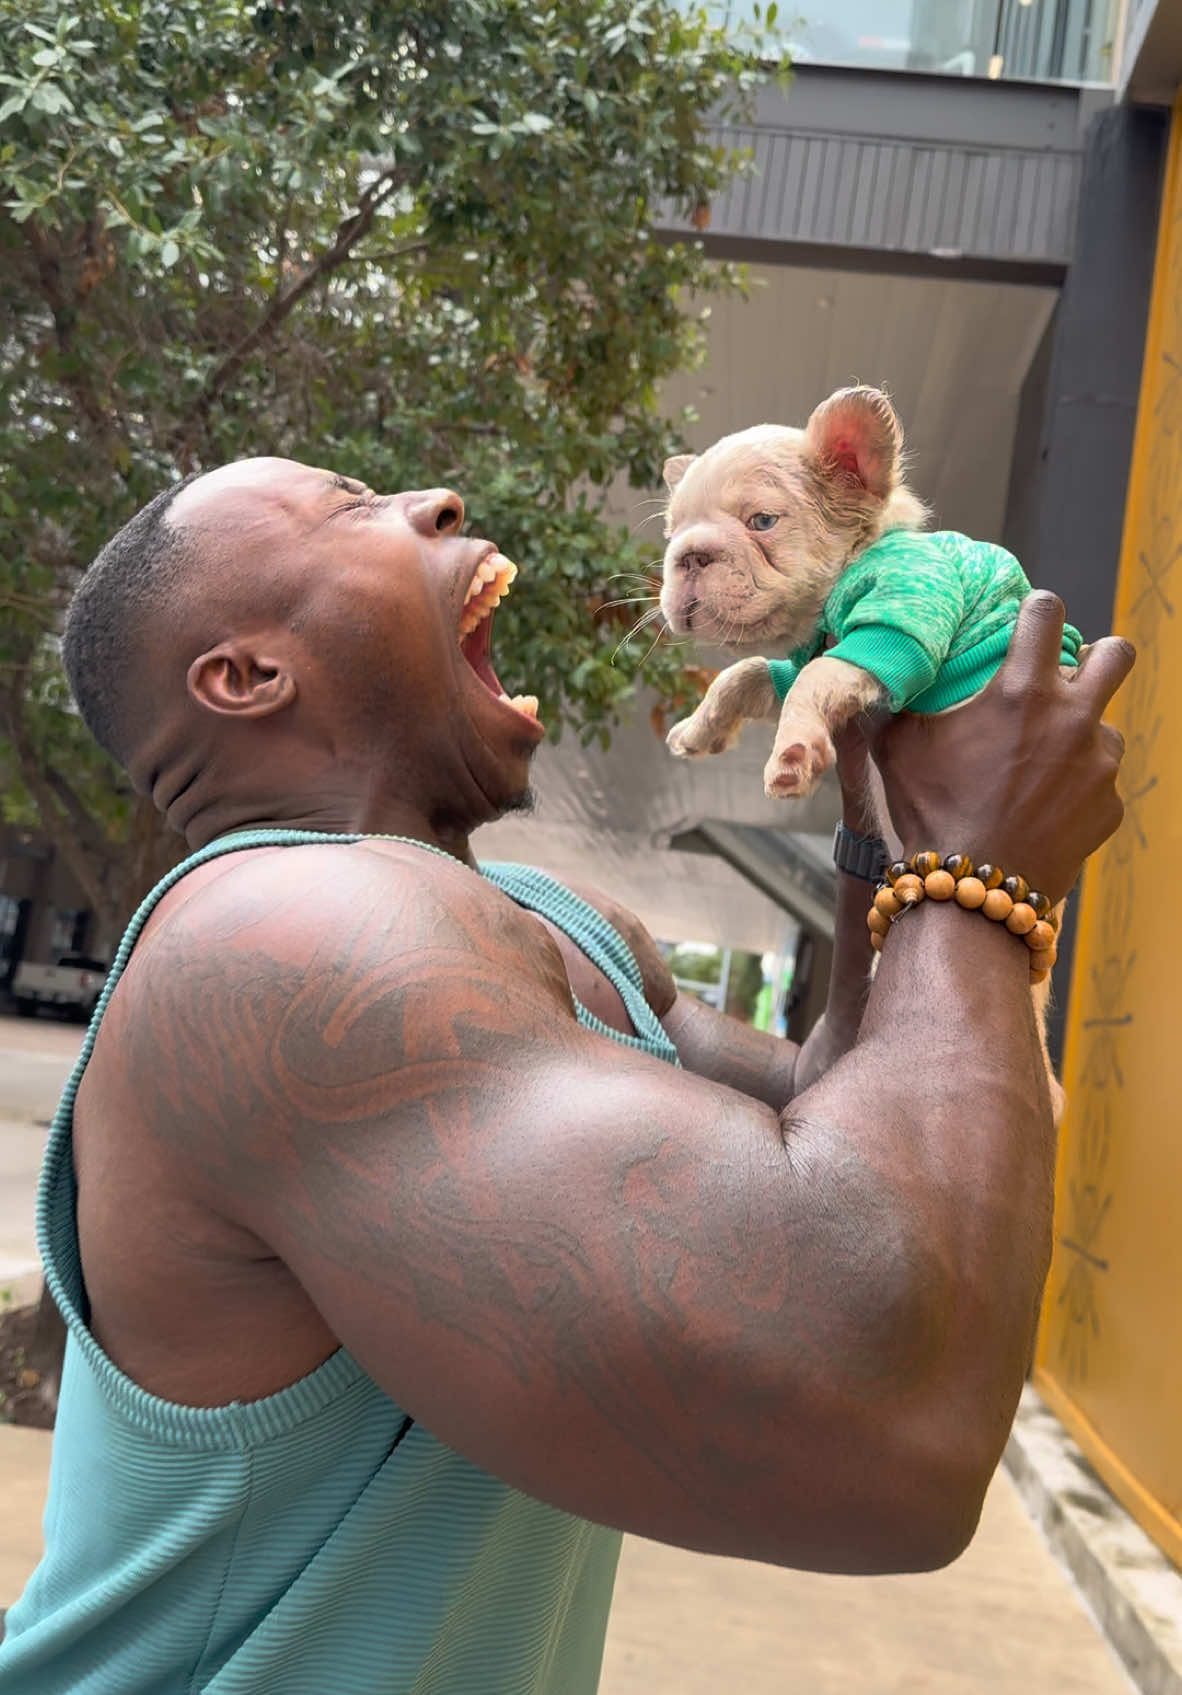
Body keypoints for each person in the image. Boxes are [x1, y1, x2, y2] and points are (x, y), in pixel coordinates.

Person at [0, 459, 1131, 1695]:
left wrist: (891, 795)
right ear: (246, 676)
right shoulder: (282, 940)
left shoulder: (548, 922)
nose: (434, 500)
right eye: (349, 506)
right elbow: (894, 1422)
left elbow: (847, 1117)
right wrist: (980, 872)